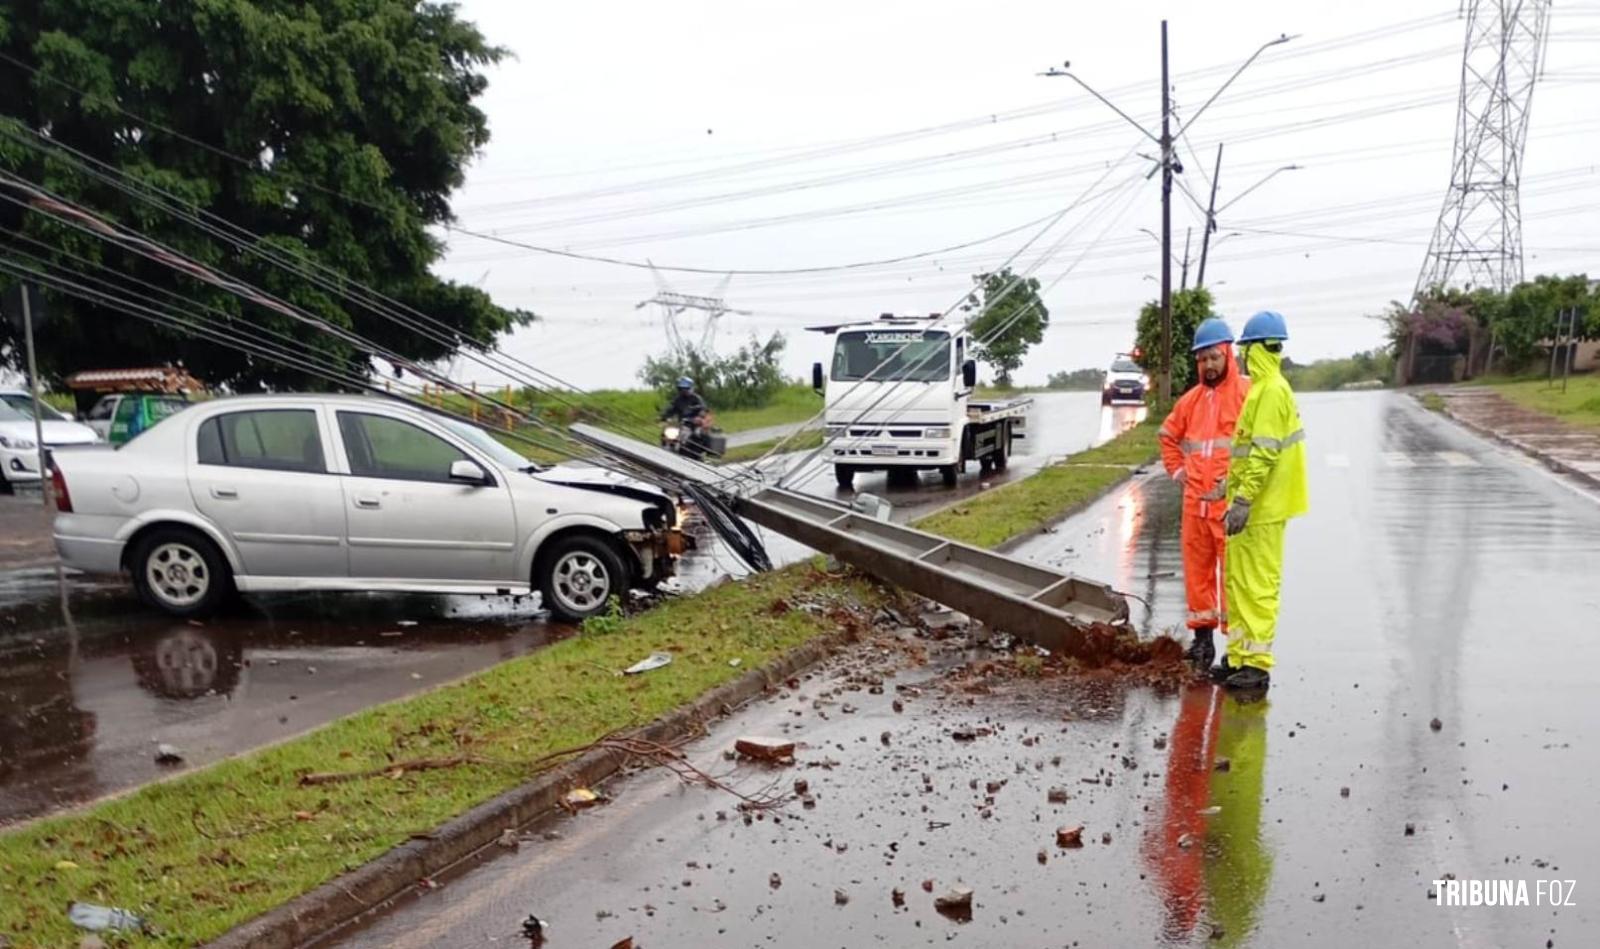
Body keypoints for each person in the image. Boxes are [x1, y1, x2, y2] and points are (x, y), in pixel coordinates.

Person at [1216, 311, 1309, 690]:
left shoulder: (1271, 391)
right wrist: (1228, 487)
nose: (1240, 357)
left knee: (1257, 585)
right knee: (1238, 582)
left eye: (1244, 349)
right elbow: (1245, 452)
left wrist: (1243, 500)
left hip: (1262, 507)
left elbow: (1265, 454)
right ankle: (1239, 655)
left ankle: (1257, 664)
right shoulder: (1261, 389)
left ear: (1257, 349)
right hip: (1250, 504)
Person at [1158, 316, 1250, 675]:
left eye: (1214, 357)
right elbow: (1167, 437)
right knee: (1197, 574)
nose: (1208, 365)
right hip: (1195, 507)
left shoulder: (1248, 393)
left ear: (1228, 354)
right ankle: (1202, 641)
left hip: (1230, 509)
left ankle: (1236, 650)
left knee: (1233, 579)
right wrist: (1178, 470)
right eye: (1202, 359)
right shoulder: (1191, 401)